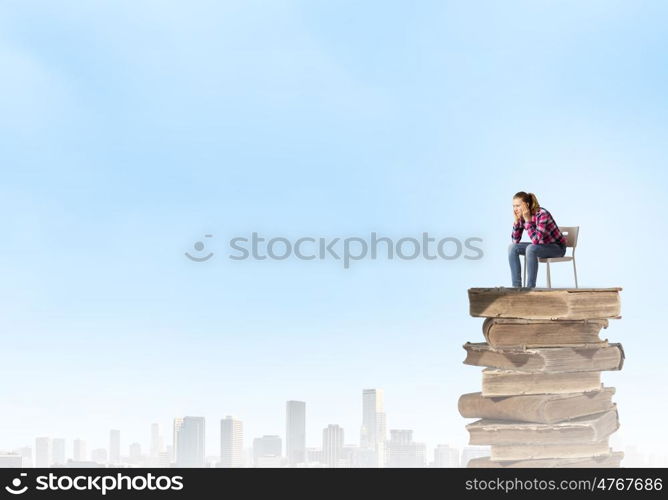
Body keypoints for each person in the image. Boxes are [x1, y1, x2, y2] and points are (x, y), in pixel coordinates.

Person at [508, 191, 567, 288]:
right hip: (541, 246)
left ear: (526, 204)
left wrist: (527, 220)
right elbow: (515, 241)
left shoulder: (542, 214)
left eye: (518, 206)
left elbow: (536, 241)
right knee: (512, 247)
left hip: (557, 248)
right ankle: (516, 288)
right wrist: (516, 221)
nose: (515, 209)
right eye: (513, 206)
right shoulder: (521, 216)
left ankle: (530, 288)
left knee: (531, 248)